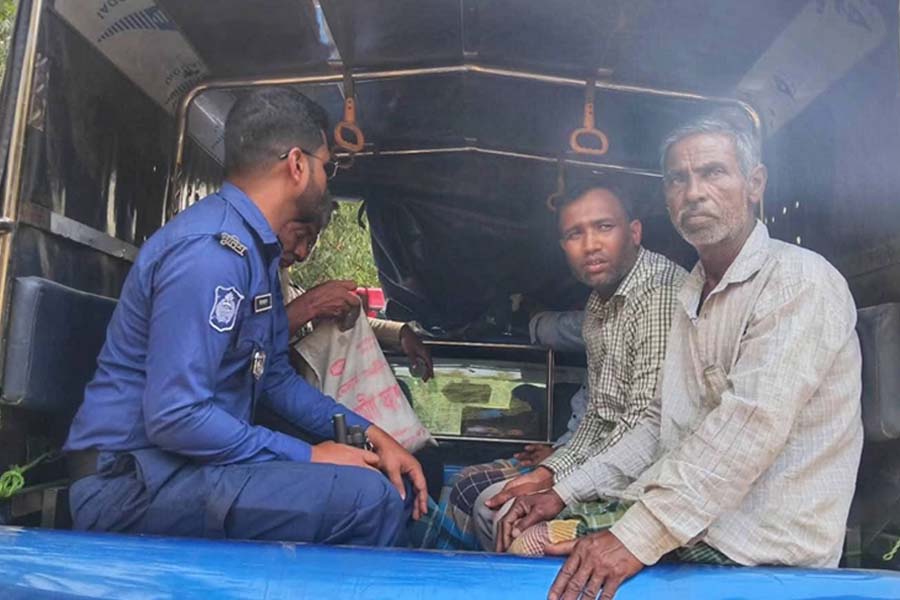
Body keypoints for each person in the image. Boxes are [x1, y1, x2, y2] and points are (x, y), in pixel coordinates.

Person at [497, 113, 864, 600]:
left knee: (534, 548)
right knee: (521, 529)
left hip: (756, 541)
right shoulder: (693, 291)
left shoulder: (798, 282)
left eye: (713, 172)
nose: (693, 192)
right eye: (678, 179)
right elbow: (657, 424)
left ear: (754, 184)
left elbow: (747, 430)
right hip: (695, 520)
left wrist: (632, 537)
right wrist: (561, 491)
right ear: (666, 197)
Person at [63, 88, 427, 547]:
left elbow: (274, 378)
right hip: (131, 485)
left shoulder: (254, 255)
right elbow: (176, 416)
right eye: (326, 167)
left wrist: (375, 436)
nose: (326, 181)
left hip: (179, 469)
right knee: (368, 499)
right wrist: (311, 457)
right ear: (297, 165)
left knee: (379, 476)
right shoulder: (212, 254)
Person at [469, 183, 686, 551]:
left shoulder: (659, 293)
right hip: (613, 473)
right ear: (563, 248)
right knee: (494, 506)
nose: (590, 245)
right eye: (575, 234)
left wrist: (561, 489)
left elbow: (643, 429)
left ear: (634, 232)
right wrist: (545, 473)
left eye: (604, 227)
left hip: (655, 485)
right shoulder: (599, 306)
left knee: (521, 533)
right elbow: (598, 418)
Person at [417, 310, 590, 550]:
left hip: (584, 464)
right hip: (566, 451)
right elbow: (590, 424)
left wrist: (559, 457)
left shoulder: (621, 328)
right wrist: (560, 451)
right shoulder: (599, 331)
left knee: (486, 501)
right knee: (463, 481)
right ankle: (442, 561)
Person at [276, 202, 434, 383]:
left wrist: (401, 333)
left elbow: (342, 324)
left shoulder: (289, 293)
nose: (302, 253)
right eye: (299, 236)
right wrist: (309, 305)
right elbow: (245, 347)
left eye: (311, 243)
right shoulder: (244, 282)